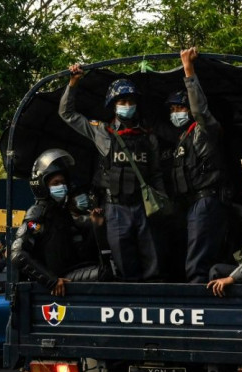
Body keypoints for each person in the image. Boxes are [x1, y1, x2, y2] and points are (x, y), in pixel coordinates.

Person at [60, 64, 165, 281]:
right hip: (115, 208)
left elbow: (155, 173)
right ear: (113, 105)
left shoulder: (148, 137)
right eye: (122, 102)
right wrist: (73, 83)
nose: (127, 106)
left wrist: (162, 203)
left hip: (144, 207)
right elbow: (67, 114)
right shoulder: (102, 132)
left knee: (153, 261)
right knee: (124, 264)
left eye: (130, 102)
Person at [158, 48, 226, 283]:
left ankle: (197, 304)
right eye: (173, 109)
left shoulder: (203, 130)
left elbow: (200, 111)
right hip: (187, 202)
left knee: (197, 263)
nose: (176, 113)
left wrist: (189, 71)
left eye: (181, 108)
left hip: (204, 201)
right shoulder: (180, 138)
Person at [11, 149, 107, 296]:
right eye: (56, 183)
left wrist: (96, 226)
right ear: (42, 185)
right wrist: (51, 281)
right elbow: (18, 254)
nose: (61, 186)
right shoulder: (37, 214)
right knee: (104, 273)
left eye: (63, 182)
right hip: (60, 279)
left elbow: (82, 252)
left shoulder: (61, 213)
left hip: (72, 271)